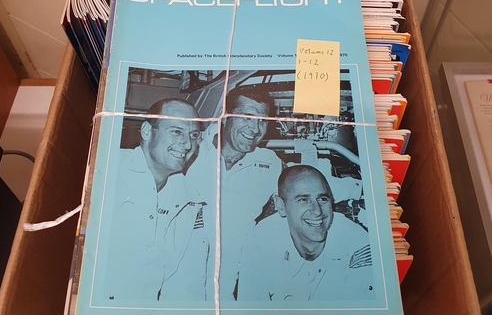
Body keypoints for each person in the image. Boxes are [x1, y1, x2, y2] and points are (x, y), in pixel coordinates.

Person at [106, 98, 211, 302]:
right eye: (176, 131)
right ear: (147, 131)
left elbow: (189, 280)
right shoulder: (108, 170)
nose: (188, 144)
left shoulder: (191, 200)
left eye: (193, 135)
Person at [186, 84, 283, 300]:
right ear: (225, 116)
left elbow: (298, 187)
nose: (255, 129)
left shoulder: (270, 163)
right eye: (247, 117)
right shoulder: (191, 148)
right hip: (177, 277)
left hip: (228, 286)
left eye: (262, 121)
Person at [237, 165, 374, 301]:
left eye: (322, 199)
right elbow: (253, 309)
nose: (317, 211)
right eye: (304, 200)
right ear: (281, 206)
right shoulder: (261, 241)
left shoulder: (358, 245)